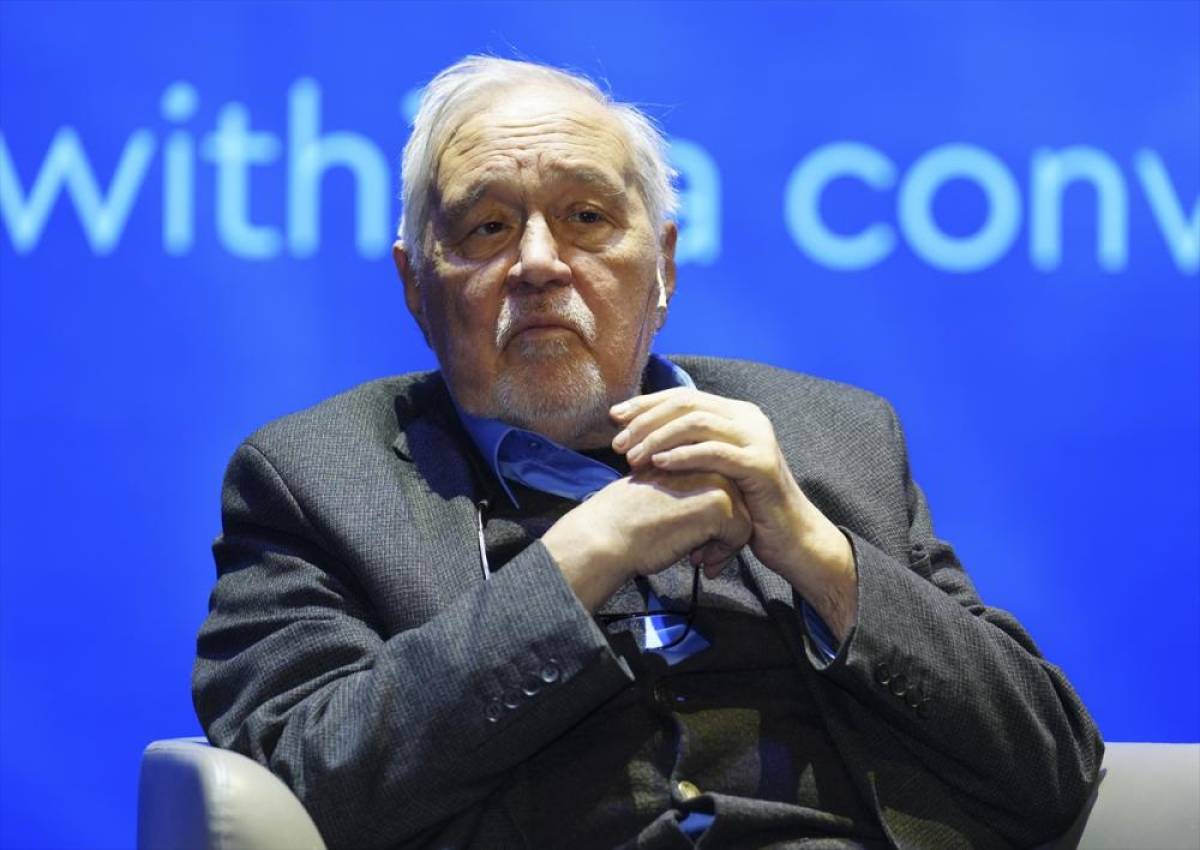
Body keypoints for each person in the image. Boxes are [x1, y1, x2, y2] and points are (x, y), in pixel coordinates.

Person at [193, 56, 1102, 850]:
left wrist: (819, 554)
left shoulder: (836, 437)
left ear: (663, 266)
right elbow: (308, 785)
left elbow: (1051, 770)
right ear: (415, 285)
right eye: (487, 228)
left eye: (587, 217)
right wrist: (583, 558)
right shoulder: (314, 480)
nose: (539, 263)